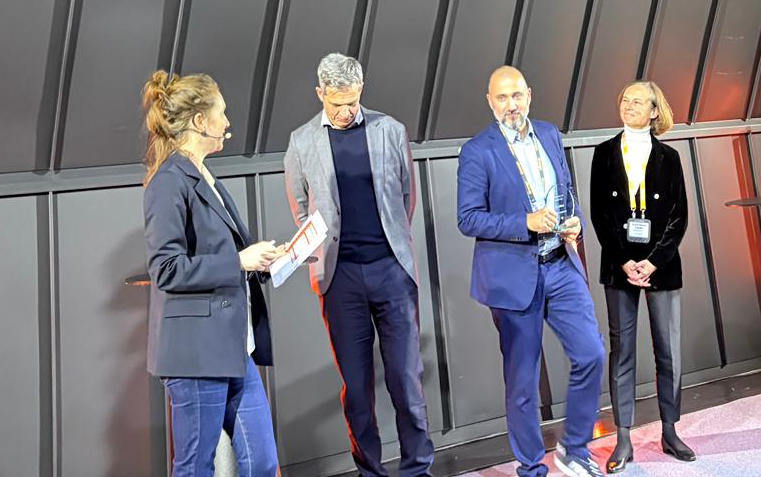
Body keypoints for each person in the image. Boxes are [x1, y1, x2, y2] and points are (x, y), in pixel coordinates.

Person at [284, 53, 433, 477]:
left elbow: (406, 197)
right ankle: (371, 470)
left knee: (406, 378)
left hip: (391, 271)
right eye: (336, 103)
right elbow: (301, 210)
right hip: (339, 278)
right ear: (320, 94)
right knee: (356, 386)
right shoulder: (302, 142)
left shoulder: (390, 130)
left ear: (361, 90)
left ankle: (417, 468)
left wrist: (393, 249)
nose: (345, 111)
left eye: (352, 102)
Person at [457, 65, 606, 477]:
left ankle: (574, 449)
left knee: (591, 353)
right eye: (502, 97)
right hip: (513, 277)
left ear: (529, 95)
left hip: (560, 263)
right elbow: (468, 218)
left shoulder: (549, 134)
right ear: (490, 102)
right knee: (523, 382)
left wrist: (574, 221)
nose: (512, 105)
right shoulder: (477, 151)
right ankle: (530, 467)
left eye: (517, 95)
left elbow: (566, 192)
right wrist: (524, 222)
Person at [142, 70, 285, 477]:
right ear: (199, 121)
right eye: (221, 113)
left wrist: (270, 259)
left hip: (235, 348)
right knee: (195, 466)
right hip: (197, 354)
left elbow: (227, 252)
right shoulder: (169, 181)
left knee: (262, 462)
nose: (227, 122)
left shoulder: (205, 175)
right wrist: (239, 261)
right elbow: (166, 269)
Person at [588, 81, 694, 467]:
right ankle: (623, 439)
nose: (628, 105)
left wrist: (653, 261)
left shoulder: (670, 157)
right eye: (625, 100)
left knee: (668, 349)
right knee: (622, 352)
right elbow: (599, 214)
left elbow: (679, 216)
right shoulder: (603, 153)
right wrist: (624, 261)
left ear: (654, 111)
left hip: (661, 266)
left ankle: (670, 431)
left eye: (638, 101)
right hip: (619, 267)